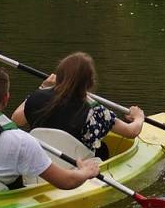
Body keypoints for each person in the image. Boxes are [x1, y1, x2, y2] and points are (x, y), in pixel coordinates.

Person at [10, 52, 145, 160]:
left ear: (59, 76)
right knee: (102, 149)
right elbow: (131, 132)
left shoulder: (36, 98)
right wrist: (138, 117)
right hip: (78, 170)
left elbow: (16, 120)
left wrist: (41, 88)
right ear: (90, 82)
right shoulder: (95, 110)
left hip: (43, 167)